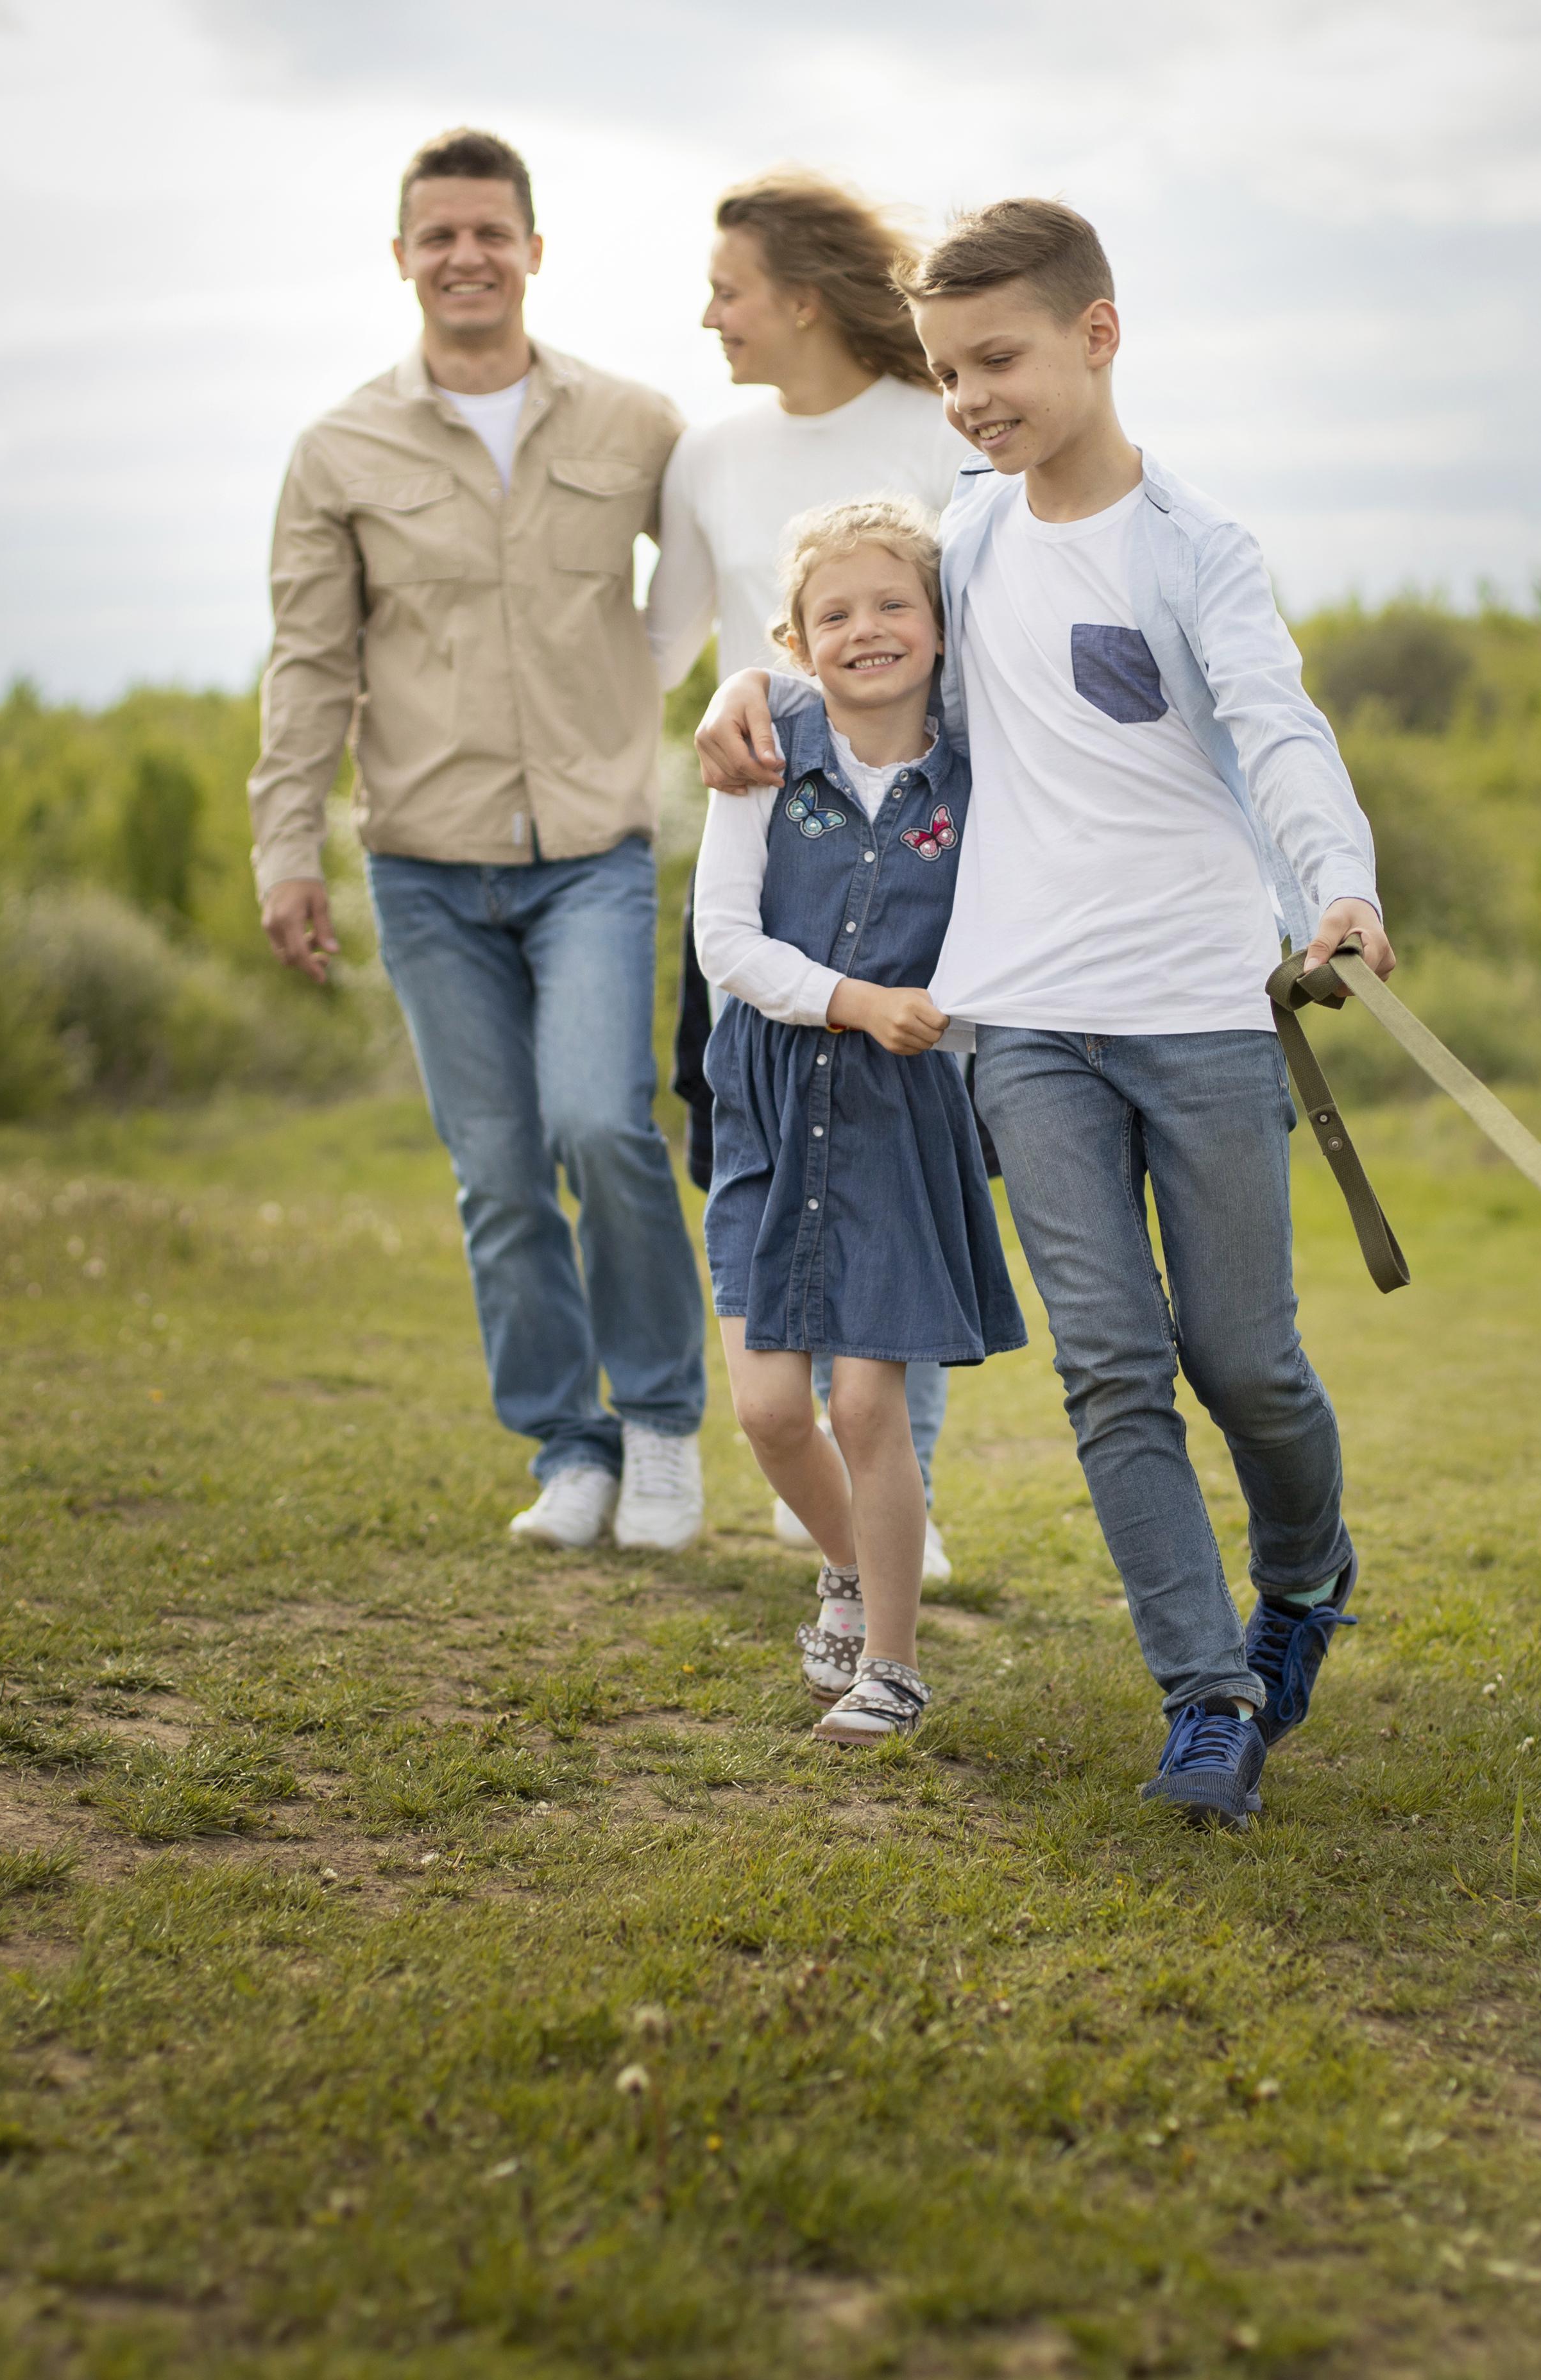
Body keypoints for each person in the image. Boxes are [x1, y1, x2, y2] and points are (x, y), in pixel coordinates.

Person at [698, 200, 1393, 1828]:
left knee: (1245, 1359)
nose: (973, 398)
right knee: (1111, 1368)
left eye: (997, 359)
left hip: (1206, 1009)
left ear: (1100, 333)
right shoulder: (974, 535)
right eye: (947, 373)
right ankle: (1207, 1694)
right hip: (1025, 1026)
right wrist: (749, 687)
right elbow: (851, 651)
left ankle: (1305, 1568)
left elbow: (1278, 732)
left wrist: (1338, 887)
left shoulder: (1196, 552)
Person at [251, 128, 706, 1555]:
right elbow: (309, 664)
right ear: (402, 257)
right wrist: (287, 849)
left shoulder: (639, 427)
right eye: (438, 235)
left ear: (533, 250)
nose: (465, 257)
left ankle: (665, 1425)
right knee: (500, 1170)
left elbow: (729, 571)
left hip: (591, 849)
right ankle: (568, 1446)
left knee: (600, 1123)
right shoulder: (338, 450)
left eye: (489, 233)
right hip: (426, 862)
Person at [646, 172, 974, 1583]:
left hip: (910, 853)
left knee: (906, 1153)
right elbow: (664, 646)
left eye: (727, 286)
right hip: (759, 843)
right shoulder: (709, 452)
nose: (708, 312)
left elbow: (981, 636)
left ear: (802, 293)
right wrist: (732, 685)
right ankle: (824, 1479)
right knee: (745, 1140)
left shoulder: (936, 430)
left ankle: (893, 1473)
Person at [689, 498, 1023, 1740]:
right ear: (795, 638)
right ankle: (845, 1566)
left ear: (939, 629)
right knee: (772, 1409)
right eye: (835, 613)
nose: (867, 629)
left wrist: (940, 1015)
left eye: (894, 604)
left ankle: (892, 1661)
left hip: (896, 1110)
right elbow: (724, 940)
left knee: (869, 1404)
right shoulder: (766, 748)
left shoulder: (982, 769)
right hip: (771, 1097)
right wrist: (852, 1001)